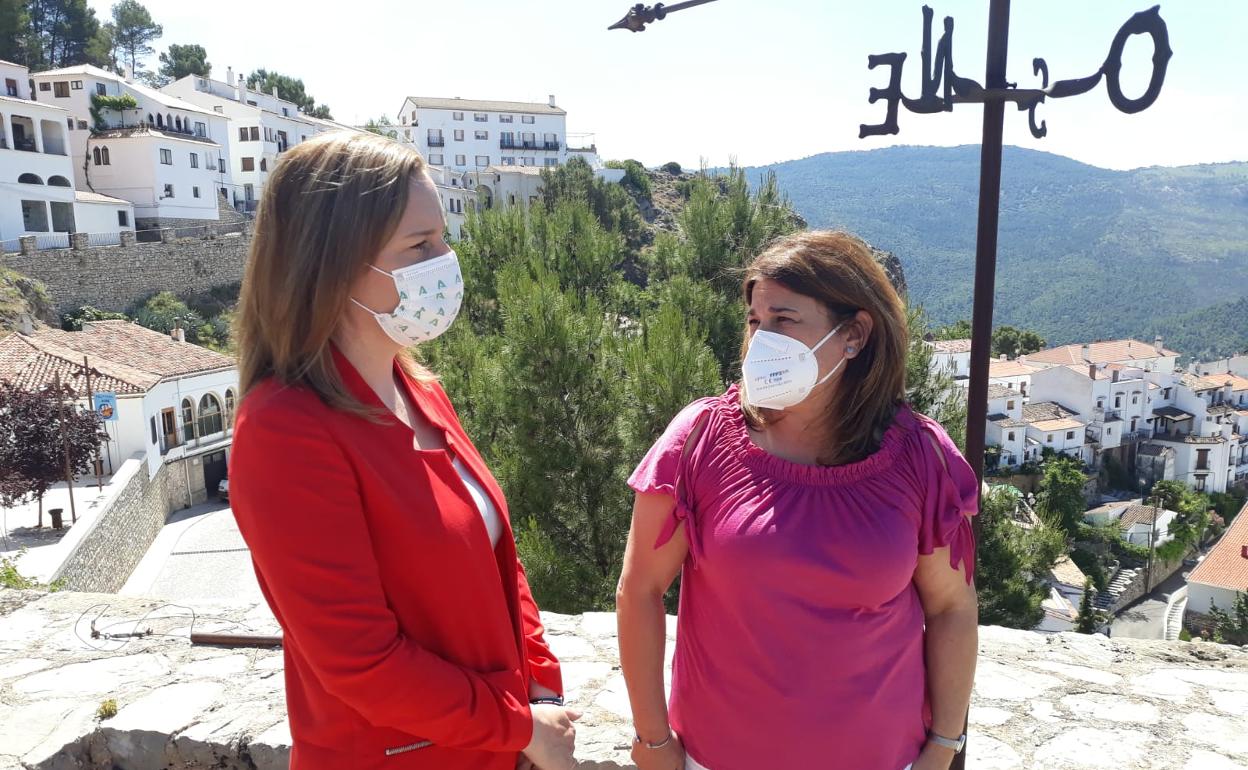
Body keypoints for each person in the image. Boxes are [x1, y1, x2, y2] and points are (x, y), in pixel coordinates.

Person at [229, 131, 579, 770]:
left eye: (442, 236)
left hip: (492, 742)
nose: (446, 258)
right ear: (330, 265)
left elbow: (498, 554)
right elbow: (362, 663)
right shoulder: (285, 432)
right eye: (420, 244)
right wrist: (520, 728)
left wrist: (540, 685)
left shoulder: (414, 388)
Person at [616, 230, 980, 770]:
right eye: (755, 321)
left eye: (784, 321)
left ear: (854, 335)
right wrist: (653, 740)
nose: (762, 340)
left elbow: (952, 607)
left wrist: (943, 747)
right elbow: (640, 591)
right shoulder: (699, 441)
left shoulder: (921, 459)